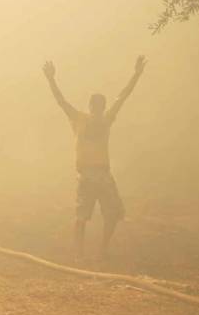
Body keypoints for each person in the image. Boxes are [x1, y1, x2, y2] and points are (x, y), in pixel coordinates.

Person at [42, 55, 147, 261]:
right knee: (82, 216)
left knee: (114, 213)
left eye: (101, 105)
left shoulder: (106, 119)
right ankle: (79, 254)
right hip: (88, 174)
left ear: (102, 106)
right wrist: (51, 79)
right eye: (96, 105)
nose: (98, 108)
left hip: (103, 173)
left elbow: (123, 97)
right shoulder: (80, 119)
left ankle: (102, 250)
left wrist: (136, 74)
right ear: (90, 106)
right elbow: (61, 102)